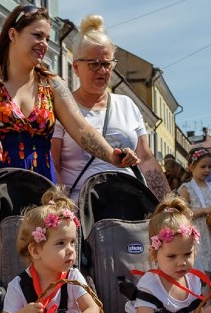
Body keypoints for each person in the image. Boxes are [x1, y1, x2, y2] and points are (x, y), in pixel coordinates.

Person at [0, 4, 138, 208]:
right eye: (37, 35)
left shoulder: (52, 84)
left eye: (47, 38)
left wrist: (111, 155)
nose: (44, 44)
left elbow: (81, 128)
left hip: (42, 184)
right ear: (13, 34)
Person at [51, 14, 169, 201]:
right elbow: (53, 163)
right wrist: (63, 207)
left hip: (127, 207)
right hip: (81, 209)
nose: (102, 71)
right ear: (75, 67)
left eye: (107, 64)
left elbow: (146, 159)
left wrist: (168, 205)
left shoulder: (127, 105)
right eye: (94, 64)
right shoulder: (63, 108)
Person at [179, 149, 211, 287]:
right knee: (203, 276)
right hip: (199, 236)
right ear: (191, 167)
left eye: (210, 167)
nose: (207, 170)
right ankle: (204, 306)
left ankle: (206, 303)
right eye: (203, 167)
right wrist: (204, 211)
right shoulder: (187, 188)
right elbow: (182, 214)